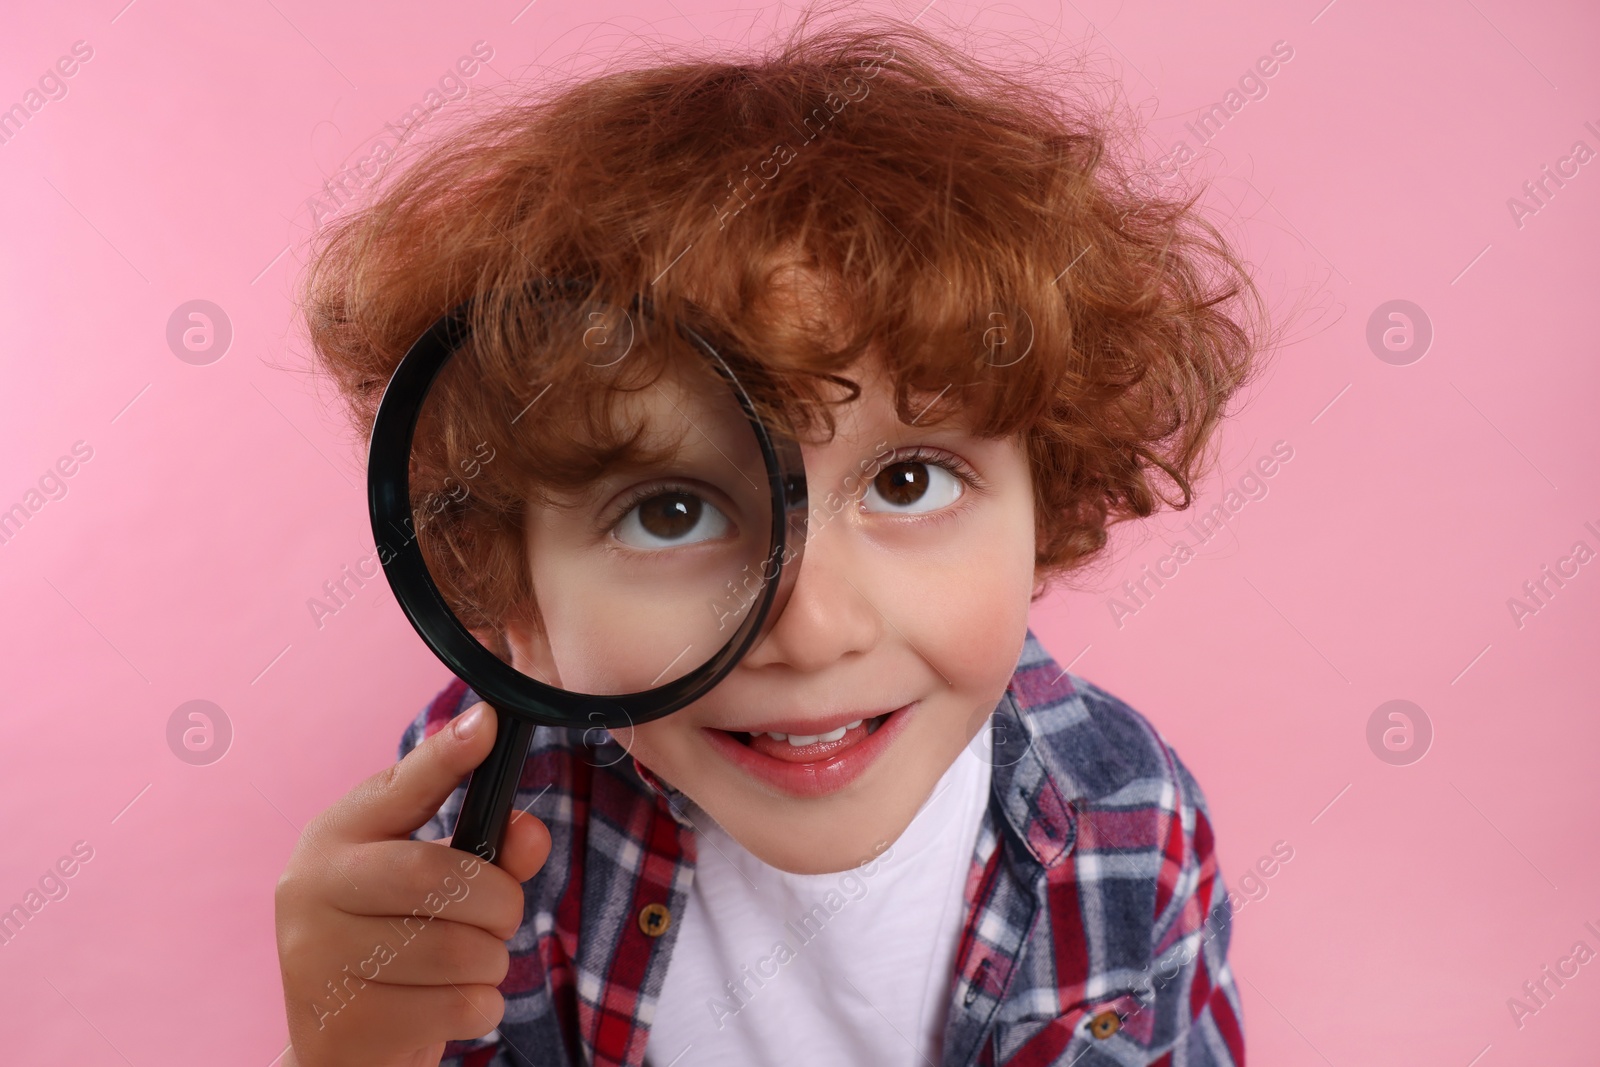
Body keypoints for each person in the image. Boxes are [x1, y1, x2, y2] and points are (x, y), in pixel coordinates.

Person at [275, 12, 1265, 1066]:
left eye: (907, 479)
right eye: (672, 510)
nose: (812, 627)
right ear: (513, 602)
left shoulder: (1124, 814)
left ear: (1047, 500)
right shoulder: (489, 809)